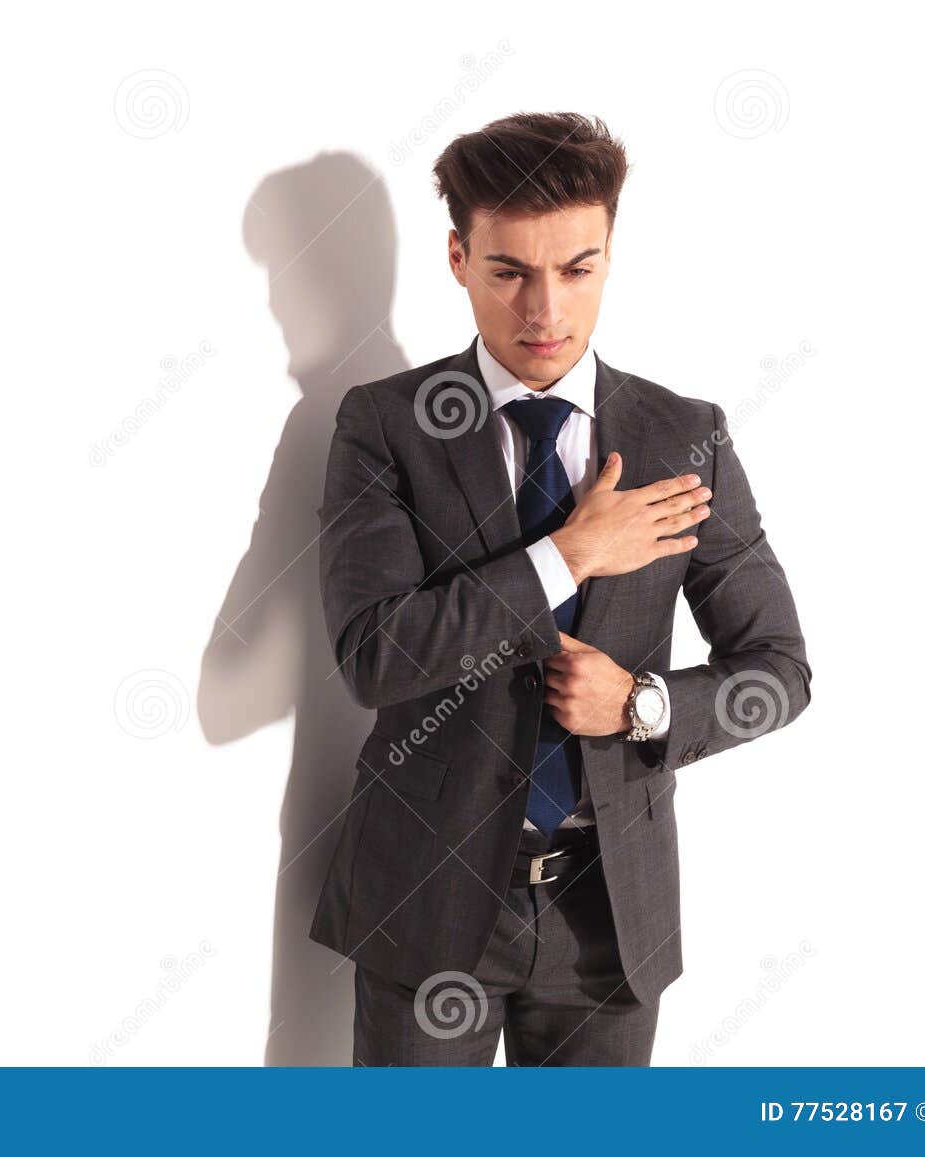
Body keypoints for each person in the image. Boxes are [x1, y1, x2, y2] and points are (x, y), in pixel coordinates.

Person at [309, 111, 812, 1065]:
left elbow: (779, 669)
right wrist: (568, 556)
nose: (544, 310)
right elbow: (374, 655)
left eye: (576, 269)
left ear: (611, 256)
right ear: (459, 259)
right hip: (428, 902)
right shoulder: (387, 425)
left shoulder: (683, 435)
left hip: (610, 916)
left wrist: (642, 704)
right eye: (509, 272)